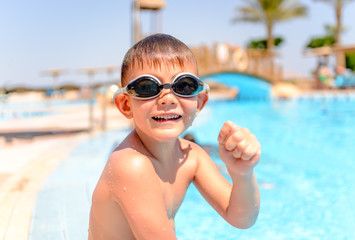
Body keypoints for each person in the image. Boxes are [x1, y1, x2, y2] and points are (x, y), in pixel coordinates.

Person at [88, 33, 261, 240]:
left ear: (199, 102)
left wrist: (242, 174)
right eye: (147, 87)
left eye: (184, 86)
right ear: (126, 105)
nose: (167, 98)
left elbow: (242, 219)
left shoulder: (191, 157)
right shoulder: (130, 165)